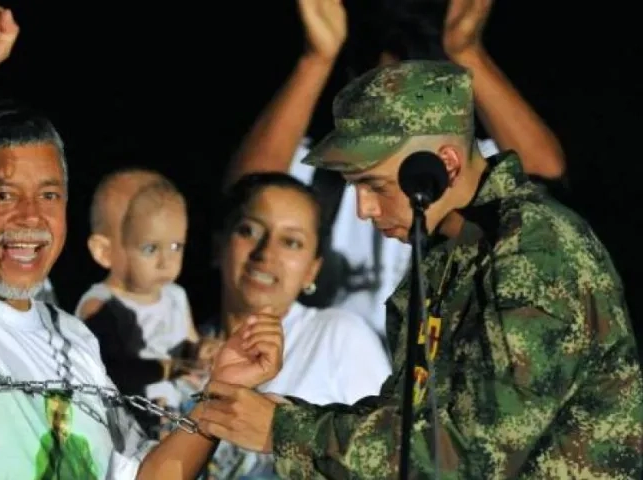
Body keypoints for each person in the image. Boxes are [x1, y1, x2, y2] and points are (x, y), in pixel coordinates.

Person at [0, 1, 283, 478]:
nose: (31, 216)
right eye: (4, 194)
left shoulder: (74, 341)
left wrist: (220, 391)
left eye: (49, 195)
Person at [197, 60, 643, 478]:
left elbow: (473, 454)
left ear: (445, 165)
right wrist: (280, 416)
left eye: (374, 186)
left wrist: (285, 431)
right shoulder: (449, 250)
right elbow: (412, 422)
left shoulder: (535, 252)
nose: (363, 210)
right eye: (354, 187)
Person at [226, 0, 566, 341]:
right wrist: (316, 60)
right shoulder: (335, 174)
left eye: (413, 96)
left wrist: (466, 52)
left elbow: (544, 172)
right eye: (379, 90)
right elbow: (248, 191)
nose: (392, 111)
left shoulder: (467, 172)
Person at [189, 172, 391, 478]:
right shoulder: (179, 342)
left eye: (291, 242)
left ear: (312, 270)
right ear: (219, 246)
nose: (266, 254)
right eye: (249, 231)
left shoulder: (338, 336)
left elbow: (390, 455)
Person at [76, 168, 202, 433]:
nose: (166, 261)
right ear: (104, 251)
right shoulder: (101, 306)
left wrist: (202, 352)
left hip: (173, 417)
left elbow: (190, 345)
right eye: (150, 248)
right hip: (123, 427)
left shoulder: (176, 296)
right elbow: (109, 371)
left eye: (176, 246)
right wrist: (166, 369)